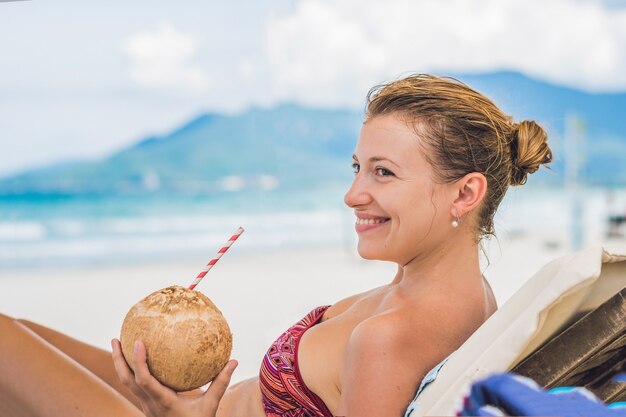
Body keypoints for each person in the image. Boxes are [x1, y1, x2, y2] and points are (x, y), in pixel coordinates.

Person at [0, 74, 552, 417]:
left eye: (383, 173)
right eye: (357, 167)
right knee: (18, 331)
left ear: (466, 194)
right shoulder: (464, 295)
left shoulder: (390, 337)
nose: (353, 194)